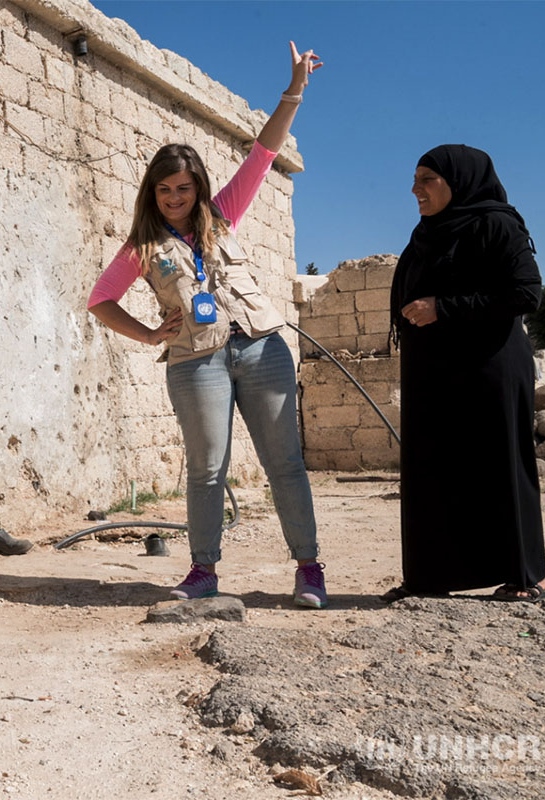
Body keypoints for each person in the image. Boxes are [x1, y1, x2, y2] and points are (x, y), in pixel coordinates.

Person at [87, 42, 328, 608]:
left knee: (284, 464)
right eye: (164, 190)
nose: (174, 198)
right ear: (153, 193)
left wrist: (293, 91)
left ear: (198, 187)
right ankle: (203, 572)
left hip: (262, 351)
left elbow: (263, 153)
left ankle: (308, 568)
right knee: (206, 469)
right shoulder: (142, 246)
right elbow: (101, 299)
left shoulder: (224, 215)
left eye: (183, 188)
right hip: (195, 362)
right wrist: (148, 335)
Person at [385, 145, 545, 603]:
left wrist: (444, 307)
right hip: (435, 371)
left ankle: (521, 577)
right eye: (415, 179)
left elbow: (525, 293)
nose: (415, 189)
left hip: (489, 366)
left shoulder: (496, 223)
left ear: (461, 181)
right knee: (432, 468)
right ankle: (429, 577)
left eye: (427, 179)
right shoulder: (427, 233)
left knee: (500, 467)